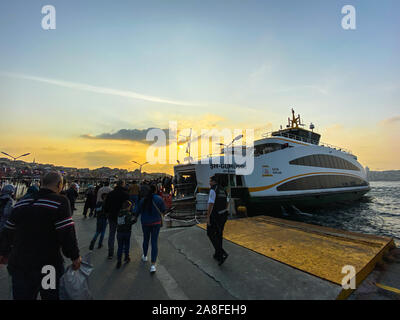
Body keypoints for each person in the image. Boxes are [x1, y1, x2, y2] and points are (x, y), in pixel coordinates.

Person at [0, 171, 81, 300]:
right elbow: (67, 232)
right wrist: (74, 256)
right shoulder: (59, 202)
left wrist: (3, 252)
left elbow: (8, 230)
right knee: (49, 296)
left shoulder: (22, 203)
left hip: (21, 264)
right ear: (60, 184)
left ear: (41, 183)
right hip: (47, 266)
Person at [137, 184, 165, 273]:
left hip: (145, 223)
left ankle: (145, 256)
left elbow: (137, 211)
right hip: (156, 223)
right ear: (155, 190)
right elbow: (163, 210)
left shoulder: (143, 200)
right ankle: (153, 265)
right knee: (154, 242)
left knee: (146, 239)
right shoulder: (159, 199)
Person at [103, 180, 129, 259]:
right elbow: (128, 206)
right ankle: (124, 252)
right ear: (122, 185)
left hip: (112, 216)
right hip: (122, 217)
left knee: (112, 234)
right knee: (122, 234)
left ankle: (110, 253)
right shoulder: (125, 194)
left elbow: (106, 205)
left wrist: (107, 214)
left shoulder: (110, 194)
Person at [206, 175, 229, 266]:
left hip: (215, 215)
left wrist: (208, 217)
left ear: (214, 181)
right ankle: (217, 254)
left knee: (210, 233)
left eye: (210, 180)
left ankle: (221, 252)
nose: (209, 182)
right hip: (223, 214)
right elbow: (227, 202)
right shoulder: (223, 190)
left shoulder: (213, 190)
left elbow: (211, 204)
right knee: (219, 235)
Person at [116, 200, 137, 269]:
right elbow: (129, 223)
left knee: (120, 247)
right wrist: (134, 220)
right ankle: (126, 257)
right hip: (126, 232)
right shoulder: (128, 214)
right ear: (128, 207)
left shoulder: (119, 213)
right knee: (127, 245)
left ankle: (119, 261)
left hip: (119, 232)